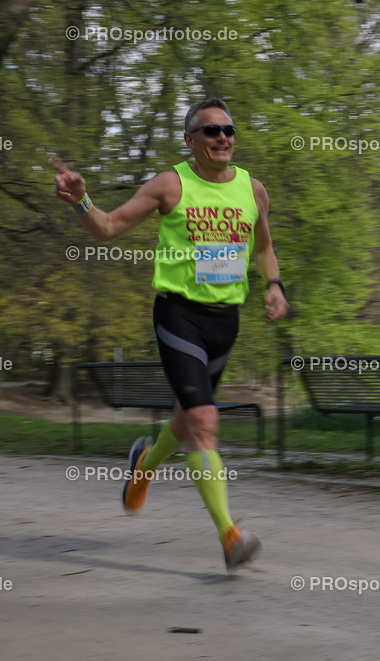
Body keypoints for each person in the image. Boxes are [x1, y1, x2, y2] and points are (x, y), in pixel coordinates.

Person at [52, 97, 288, 570]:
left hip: (227, 320)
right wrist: (81, 199)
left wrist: (274, 285)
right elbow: (109, 227)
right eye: (210, 131)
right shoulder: (170, 184)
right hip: (179, 316)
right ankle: (229, 535)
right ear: (190, 140)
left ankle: (145, 464)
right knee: (204, 422)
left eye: (229, 129)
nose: (222, 137)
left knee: (186, 420)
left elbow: (263, 245)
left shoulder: (252, 189)